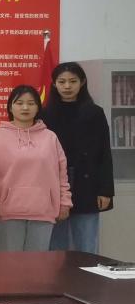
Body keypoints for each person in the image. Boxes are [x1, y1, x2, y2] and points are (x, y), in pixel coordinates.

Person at [0, 85, 72, 251]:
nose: (25, 107)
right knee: (9, 262)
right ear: (10, 107)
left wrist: (65, 201)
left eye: (31, 103)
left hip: (43, 210)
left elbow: (62, 174)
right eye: (19, 103)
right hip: (7, 211)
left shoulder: (50, 137)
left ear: (38, 108)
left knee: (37, 263)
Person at [41, 62, 114, 253]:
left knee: (87, 246)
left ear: (82, 82)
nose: (67, 86)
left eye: (72, 81)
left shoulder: (95, 112)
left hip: (87, 184)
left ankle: (88, 274)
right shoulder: (44, 114)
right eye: (62, 82)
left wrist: (106, 190)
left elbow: (104, 152)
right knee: (56, 248)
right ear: (54, 84)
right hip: (55, 184)